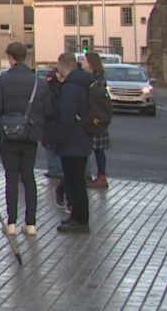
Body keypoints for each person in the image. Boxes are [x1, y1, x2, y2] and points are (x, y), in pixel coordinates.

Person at [0, 42, 48, 236]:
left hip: (8, 134)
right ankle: (30, 223)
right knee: (28, 177)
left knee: (11, 178)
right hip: (30, 134)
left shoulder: (3, 80)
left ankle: (12, 222)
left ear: (11, 58)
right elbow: (47, 108)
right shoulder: (38, 81)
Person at [49, 52, 93, 233]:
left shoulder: (70, 87)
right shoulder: (85, 82)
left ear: (62, 66)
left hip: (72, 142)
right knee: (77, 181)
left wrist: (58, 139)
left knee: (75, 183)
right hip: (83, 138)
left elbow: (66, 117)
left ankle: (80, 220)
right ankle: (76, 216)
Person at [83, 52, 112, 189]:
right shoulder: (91, 78)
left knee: (97, 150)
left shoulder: (97, 80)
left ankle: (101, 176)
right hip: (91, 117)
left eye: (85, 60)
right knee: (91, 149)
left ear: (90, 63)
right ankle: (89, 175)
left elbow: (96, 99)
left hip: (96, 118)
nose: (83, 63)